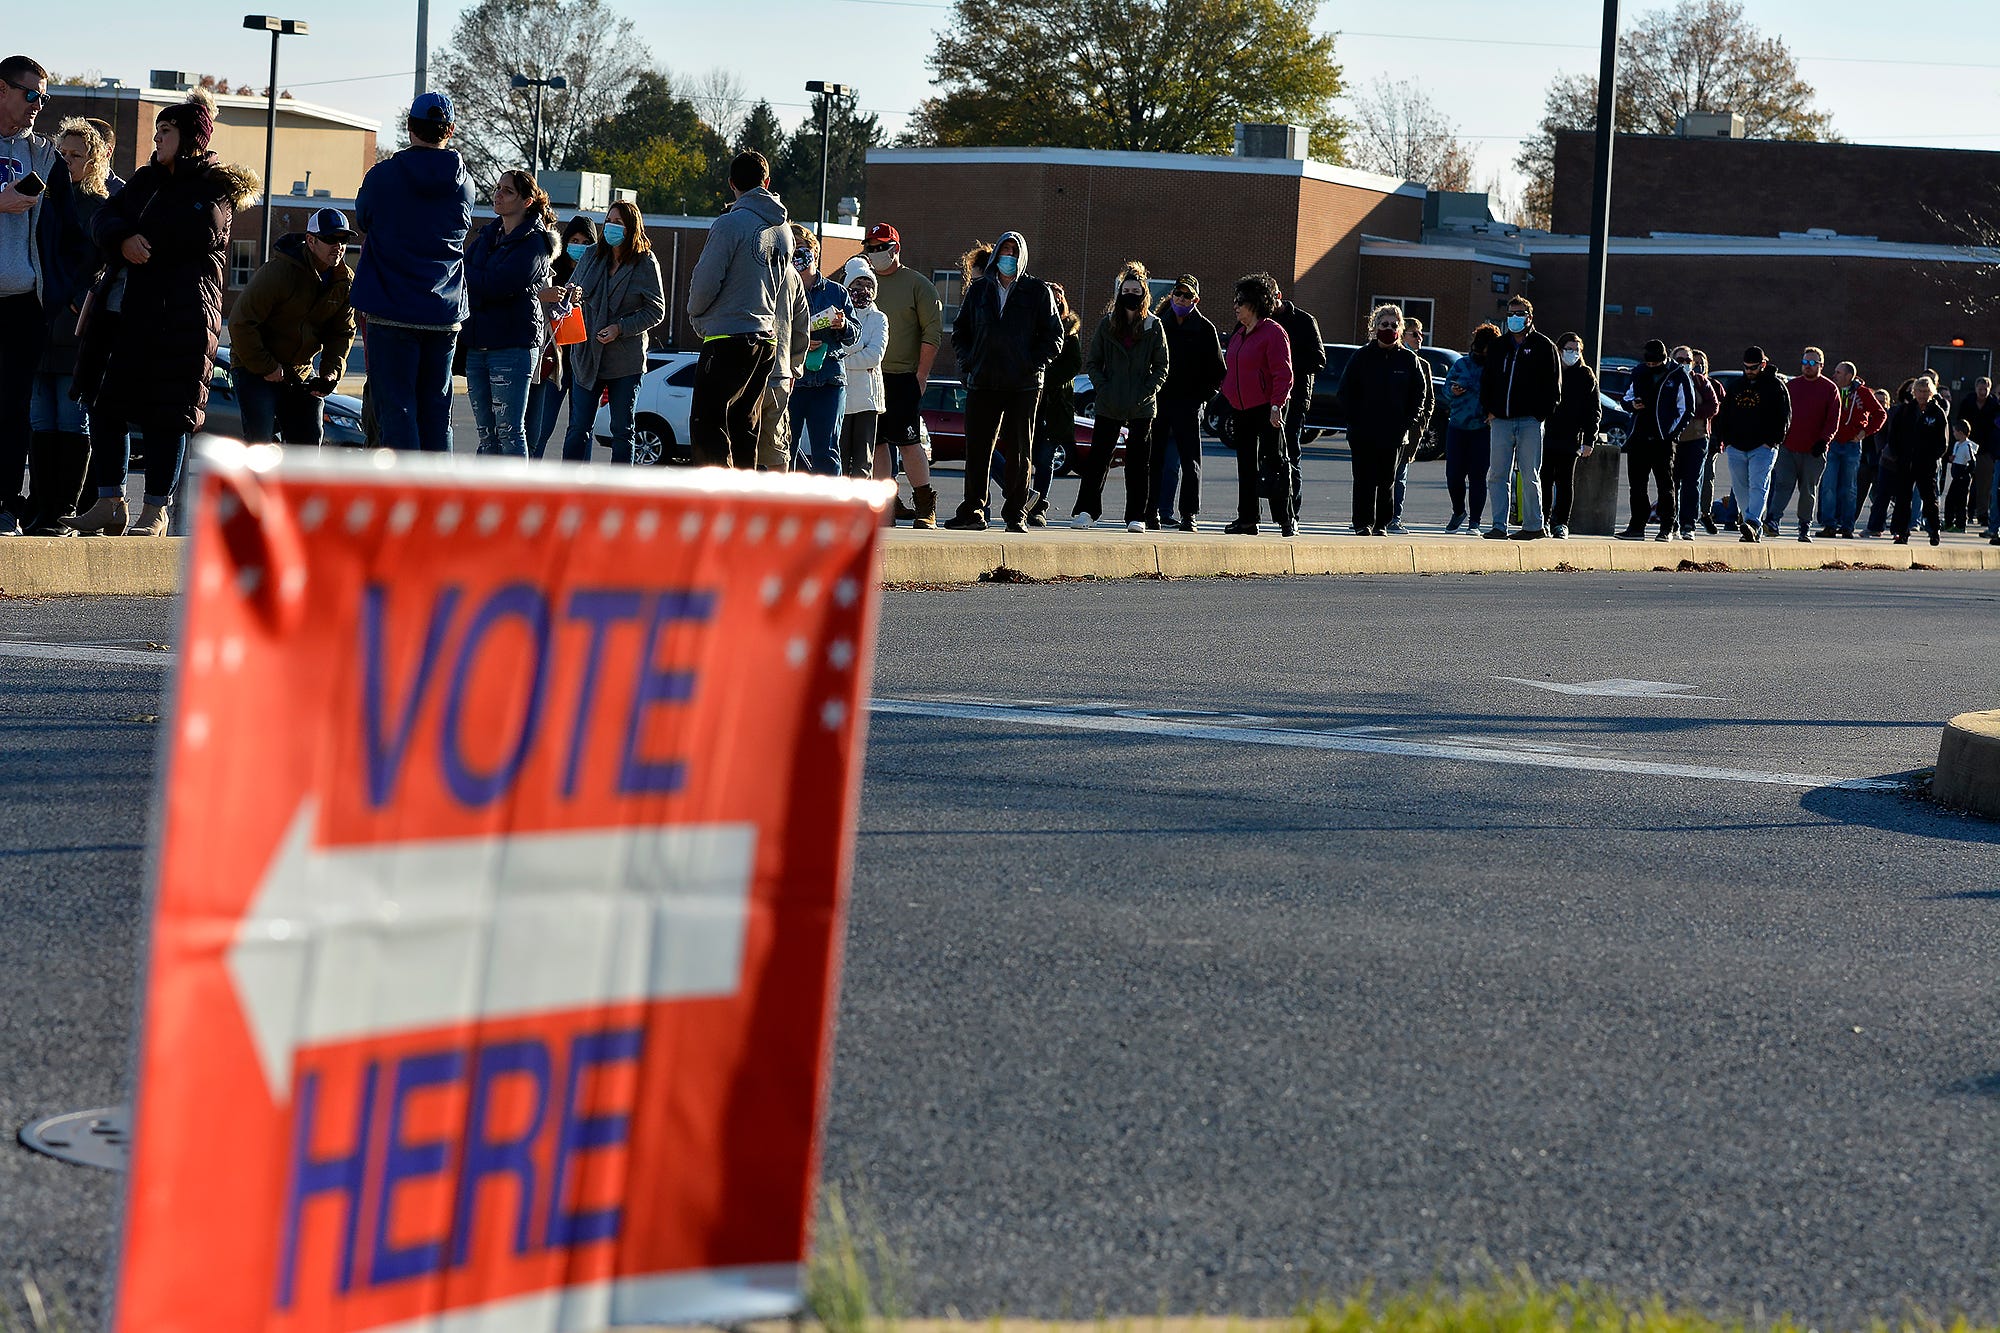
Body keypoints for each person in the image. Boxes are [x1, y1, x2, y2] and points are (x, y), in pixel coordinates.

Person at [71, 89, 255, 536]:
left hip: (181, 318)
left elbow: (194, 230)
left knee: (167, 415)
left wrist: (136, 235)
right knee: (105, 406)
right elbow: (104, 216)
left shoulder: (214, 185)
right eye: (156, 132)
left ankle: (156, 509)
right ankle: (109, 500)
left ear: (190, 137)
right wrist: (121, 239)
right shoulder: (145, 179)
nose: (157, 140)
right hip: (126, 315)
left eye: (166, 132)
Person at [348, 91, 474, 454]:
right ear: (449, 129)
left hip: (391, 310)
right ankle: (436, 500)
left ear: (408, 127)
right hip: (443, 311)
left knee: (397, 412)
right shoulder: (463, 183)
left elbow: (365, 218)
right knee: (437, 412)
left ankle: (404, 500)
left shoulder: (382, 177)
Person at [0, 54, 86, 536]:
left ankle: (6, 503)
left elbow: (74, 237)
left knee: (12, 410)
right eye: (30, 94)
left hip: (22, 305)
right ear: (2, 90)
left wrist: (58, 293)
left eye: (43, 97)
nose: (38, 105)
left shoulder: (46, 156)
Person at [21, 117, 109, 535]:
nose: (68, 161)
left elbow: (103, 264)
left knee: (72, 420)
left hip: (76, 329)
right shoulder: (45, 199)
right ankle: (40, 507)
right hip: (39, 323)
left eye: (77, 155)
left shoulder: (101, 206)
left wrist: (79, 299)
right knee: (41, 420)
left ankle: (64, 511)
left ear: (94, 159)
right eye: (63, 154)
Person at [944, 230, 1062, 531]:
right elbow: (960, 332)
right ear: (996, 254)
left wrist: (1031, 363)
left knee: (1020, 451)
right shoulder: (979, 290)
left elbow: (1054, 336)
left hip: (1023, 385)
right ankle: (973, 511)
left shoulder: (1037, 291)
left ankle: (1016, 513)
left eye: (1013, 251)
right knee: (978, 450)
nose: (1008, 256)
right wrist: (969, 362)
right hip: (983, 381)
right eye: (1004, 250)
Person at [687, 150, 789, 467]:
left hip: (728, 337)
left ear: (732, 184)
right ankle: (746, 504)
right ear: (767, 182)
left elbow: (705, 284)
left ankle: (721, 504)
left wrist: (696, 315)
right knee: (745, 425)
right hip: (766, 340)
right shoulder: (784, 230)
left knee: (708, 424)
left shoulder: (729, 225)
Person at [227, 205, 355, 449]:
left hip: (299, 371)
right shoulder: (278, 272)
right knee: (260, 443)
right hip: (254, 366)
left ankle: (299, 487)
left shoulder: (344, 281)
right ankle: (257, 485)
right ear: (311, 240)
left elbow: (342, 333)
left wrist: (329, 374)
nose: (338, 246)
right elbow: (240, 323)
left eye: (344, 240)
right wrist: (267, 366)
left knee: (308, 441)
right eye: (330, 239)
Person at [459, 170, 556, 458]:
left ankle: (516, 501)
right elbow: (463, 272)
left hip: (512, 347)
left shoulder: (536, 242)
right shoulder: (487, 236)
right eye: (498, 188)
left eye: (508, 191)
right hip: (478, 346)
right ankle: (482, 500)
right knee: (486, 434)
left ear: (527, 201)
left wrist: (476, 276)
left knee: (510, 431)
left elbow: (501, 284)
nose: (498, 194)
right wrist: (480, 276)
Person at [559, 199, 663, 465]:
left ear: (631, 228)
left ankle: (619, 495)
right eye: (608, 221)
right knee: (577, 429)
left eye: (618, 223)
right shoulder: (593, 255)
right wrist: (573, 295)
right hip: (587, 357)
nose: (611, 227)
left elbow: (656, 310)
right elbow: (571, 293)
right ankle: (571, 490)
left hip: (625, 361)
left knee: (622, 430)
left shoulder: (645, 262)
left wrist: (620, 328)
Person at [1073, 262, 1169, 531]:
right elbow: (1092, 363)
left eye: (1135, 290)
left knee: (1138, 464)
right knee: (1098, 460)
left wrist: (1146, 390)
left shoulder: (1154, 326)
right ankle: (1086, 511)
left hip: (1141, 405)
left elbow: (1162, 366)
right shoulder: (1107, 324)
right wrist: (1104, 388)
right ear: (1119, 293)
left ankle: (1137, 516)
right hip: (1109, 402)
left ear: (1144, 293)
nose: (1130, 293)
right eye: (1126, 289)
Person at [859, 223, 943, 525]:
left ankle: (924, 505)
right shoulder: (862, 282)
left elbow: (932, 333)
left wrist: (921, 375)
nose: (876, 252)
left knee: (909, 443)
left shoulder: (918, 284)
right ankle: (887, 504)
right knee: (878, 444)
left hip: (903, 376)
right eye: (871, 247)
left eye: (882, 246)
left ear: (896, 248)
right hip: (869, 377)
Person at [1335, 303, 1427, 537]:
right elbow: (1345, 392)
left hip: (1394, 432)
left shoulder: (1408, 360)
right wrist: (1354, 421)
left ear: (1400, 328)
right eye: (1384, 324)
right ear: (1375, 327)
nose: (1389, 328)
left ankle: (1381, 524)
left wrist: (1407, 422)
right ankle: (1362, 523)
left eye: (1394, 325)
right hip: (1363, 431)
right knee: (1363, 479)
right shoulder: (1361, 357)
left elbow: (1419, 394)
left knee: (1387, 480)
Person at [1479, 295, 1561, 540]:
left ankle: (1534, 526)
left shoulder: (1544, 346)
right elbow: (1487, 381)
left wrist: (1539, 415)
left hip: (1529, 422)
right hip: (1501, 420)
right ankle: (1498, 525)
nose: (1515, 318)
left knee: (1530, 474)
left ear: (1529, 316)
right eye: (1511, 313)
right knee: (1497, 474)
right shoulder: (1498, 346)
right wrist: (1489, 410)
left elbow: (1554, 387)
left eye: (1520, 313)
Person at [1220, 273, 1294, 536]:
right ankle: (1248, 518)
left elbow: (1282, 373)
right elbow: (1232, 369)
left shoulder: (1273, 332)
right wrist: (1226, 394)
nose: (1236, 306)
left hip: (1266, 409)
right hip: (1241, 409)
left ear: (1254, 303)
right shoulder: (1240, 334)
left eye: (1240, 301)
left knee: (1274, 463)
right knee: (1246, 465)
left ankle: (1286, 519)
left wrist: (1277, 405)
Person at [1150, 274, 1224, 531]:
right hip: (1160, 402)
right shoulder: (1159, 325)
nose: (1181, 299)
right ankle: (1152, 512)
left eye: (1187, 296)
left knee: (1190, 462)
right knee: (1155, 459)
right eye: (1178, 294)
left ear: (1196, 299)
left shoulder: (1205, 329)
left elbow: (1218, 372)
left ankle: (1188, 514)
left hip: (1189, 405)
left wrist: (1199, 398)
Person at [787, 224, 856, 476]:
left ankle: (830, 511)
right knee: (785, 448)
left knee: (826, 451)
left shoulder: (836, 292)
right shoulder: (783, 290)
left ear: (814, 252)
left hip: (829, 379)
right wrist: (800, 341)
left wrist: (842, 324)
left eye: (802, 250)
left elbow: (854, 334)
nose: (798, 256)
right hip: (793, 381)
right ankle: (783, 508)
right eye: (793, 250)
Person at [1763, 346, 1841, 541]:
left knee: (1808, 489)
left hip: (1814, 450)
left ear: (1821, 365)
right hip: (1788, 447)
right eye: (1805, 362)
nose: (1808, 366)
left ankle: (1804, 525)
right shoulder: (1792, 386)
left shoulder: (1830, 389)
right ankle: (1772, 520)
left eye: (1812, 363)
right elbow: (1780, 413)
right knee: (1782, 484)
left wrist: (1824, 440)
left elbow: (1833, 420)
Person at [1618, 339, 1693, 541]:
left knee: (1665, 484)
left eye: (1655, 363)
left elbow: (1686, 409)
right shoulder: (1639, 371)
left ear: (1663, 358)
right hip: (1639, 436)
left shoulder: (1677, 374)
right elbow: (1626, 397)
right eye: (1648, 362)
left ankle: (1667, 527)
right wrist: (1633, 405)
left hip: (1663, 439)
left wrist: (1670, 434)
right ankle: (1636, 526)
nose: (1651, 366)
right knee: (1637, 484)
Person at [1714, 346, 1790, 543]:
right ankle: (1750, 521)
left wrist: (1772, 441)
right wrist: (1724, 439)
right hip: (1736, 446)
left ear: (1763, 364)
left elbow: (1784, 416)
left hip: (1763, 447)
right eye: (1746, 367)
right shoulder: (1736, 385)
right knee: (1740, 487)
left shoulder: (1776, 386)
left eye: (1754, 367)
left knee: (1759, 484)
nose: (1749, 371)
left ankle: (1753, 523)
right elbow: (1724, 413)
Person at [1269, 283, 1325, 521]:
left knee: (1291, 452)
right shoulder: (1262, 322)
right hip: (1267, 396)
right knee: (1268, 455)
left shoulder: (1303, 320)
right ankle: (1271, 510)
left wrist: (1286, 364)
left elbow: (1318, 359)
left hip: (1296, 396)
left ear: (1278, 296)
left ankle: (1292, 512)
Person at [1027, 281, 1081, 527]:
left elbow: (1073, 365)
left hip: (1055, 407)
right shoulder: (1031, 326)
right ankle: (1022, 502)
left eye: (1059, 297)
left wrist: (1044, 379)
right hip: (1029, 404)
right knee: (1024, 457)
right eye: (1051, 296)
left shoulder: (1071, 334)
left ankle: (1040, 506)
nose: (1056, 300)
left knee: (1045, 458)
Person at [1813, 360, 1887, 539]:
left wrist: (1864, 432)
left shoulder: (1863, 393)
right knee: (1828, 485)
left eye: (1838, 372)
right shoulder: (1831, 390)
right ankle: (1829, 524)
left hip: (1852, 446)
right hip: (1832, 444)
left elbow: (1880, 414)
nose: (1834, 375)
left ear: (1848, 375)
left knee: (1849, 487)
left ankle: (1847, 526)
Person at [1543, 331, 1601, 541]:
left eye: (1576, 350)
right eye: (1569, 349)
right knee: (1545, 479)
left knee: (1565, 482)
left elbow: (1593, 410)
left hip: (1571, 438)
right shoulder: (1550, 371)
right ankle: (1543, 519)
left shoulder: (1586, 375)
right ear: (1559, 350)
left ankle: (1561, 523)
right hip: (1547, 435)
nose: (1573, 353)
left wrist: (1589, 440)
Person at [1882, 374, 1948, 546]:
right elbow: (1893, 436)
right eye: (1919, 390)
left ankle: (1934, 531)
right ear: (1914, 392)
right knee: (1903, 499)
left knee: (1929, 499)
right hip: (1905, 463)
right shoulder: (1905, 411)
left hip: (1926, 464)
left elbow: (1943, 441)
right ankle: (1901, 532)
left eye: (1926, 391)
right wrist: (1898, 457)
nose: (1922, 394)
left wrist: (1933, 458)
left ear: (1931, 392)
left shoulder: (1937, 412)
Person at [755, 257, 809, 471]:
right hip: (778, 372)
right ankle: (779, 504)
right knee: (776, 447)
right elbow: (801, 326)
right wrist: (794, 368)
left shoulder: (741, 262)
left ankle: (742, 503)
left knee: (737, 445)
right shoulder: (791, 274)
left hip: (740, 370)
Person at [1443, 323, 1497, 533]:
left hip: (1483, 428)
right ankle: (1458, 510)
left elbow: (1500, 393)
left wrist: (1494, 411)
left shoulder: (1494, 368)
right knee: (1453, 474)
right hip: (1457, 425)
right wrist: (1453, 391)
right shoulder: (1461, 364)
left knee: (1477, 476)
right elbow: (1447, 387)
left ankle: (1475, 521)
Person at [838, 264, 888, 480]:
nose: (864, 290)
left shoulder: (879, 318)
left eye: (869, 284)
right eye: (858, 283)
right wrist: (857, 348)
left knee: (862, 463)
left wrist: (843, 355)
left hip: (867, 401)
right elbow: (834, 349)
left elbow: (874, 357)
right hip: (840, 397)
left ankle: (860, 510)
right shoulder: (837, 315)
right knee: (839, 458)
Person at [1670, 347, 1722, 539]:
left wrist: (1691, 412)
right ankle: (1671, 522)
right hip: (1673, 440)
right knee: (1671, 483)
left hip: (1697, 439)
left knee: (1692, 483)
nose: (1684, 363)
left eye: (1688, 360)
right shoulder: (1668, 380)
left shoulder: (1701, 382)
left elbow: (1714, 406)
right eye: (1679, 359)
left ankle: (1688, 525)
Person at [1389, 316, 1434, 532]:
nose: (1419, 338)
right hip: (1386, 428)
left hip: (1408, 431)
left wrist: (1419, 422)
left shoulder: (1423, 365)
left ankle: (1395, 518)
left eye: (1421, 334)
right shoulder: (1389, 359)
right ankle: (1371, 516)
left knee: (1400, 476)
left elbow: (1429, 400)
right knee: (1378, 475)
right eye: (1414, 334)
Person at [1957, 377, 2000, 538]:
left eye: (1986, 389)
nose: (1983, 392)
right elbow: (1960, 420)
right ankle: (1964, 512)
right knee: (1963, 481)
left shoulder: (1993, 405)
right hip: (1967, 446)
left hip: (1986, 449)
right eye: (1980, 388)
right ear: (1976, 388)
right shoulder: (1967, 403)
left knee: (1985, 484)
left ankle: (1982, 513)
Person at [1944, 417, 1977, 532]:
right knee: (1950, 500)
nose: (1953, 434)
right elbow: (1956, 456)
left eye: (1954, 431)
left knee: (1961, 501)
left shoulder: (1967, 446)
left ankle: (1960, 524)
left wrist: (1965, 473)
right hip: (1956, 476)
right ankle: (1948, 522)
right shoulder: (1957, 444)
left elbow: (1972, 462)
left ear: (1961, 433)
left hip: (1963, 477)